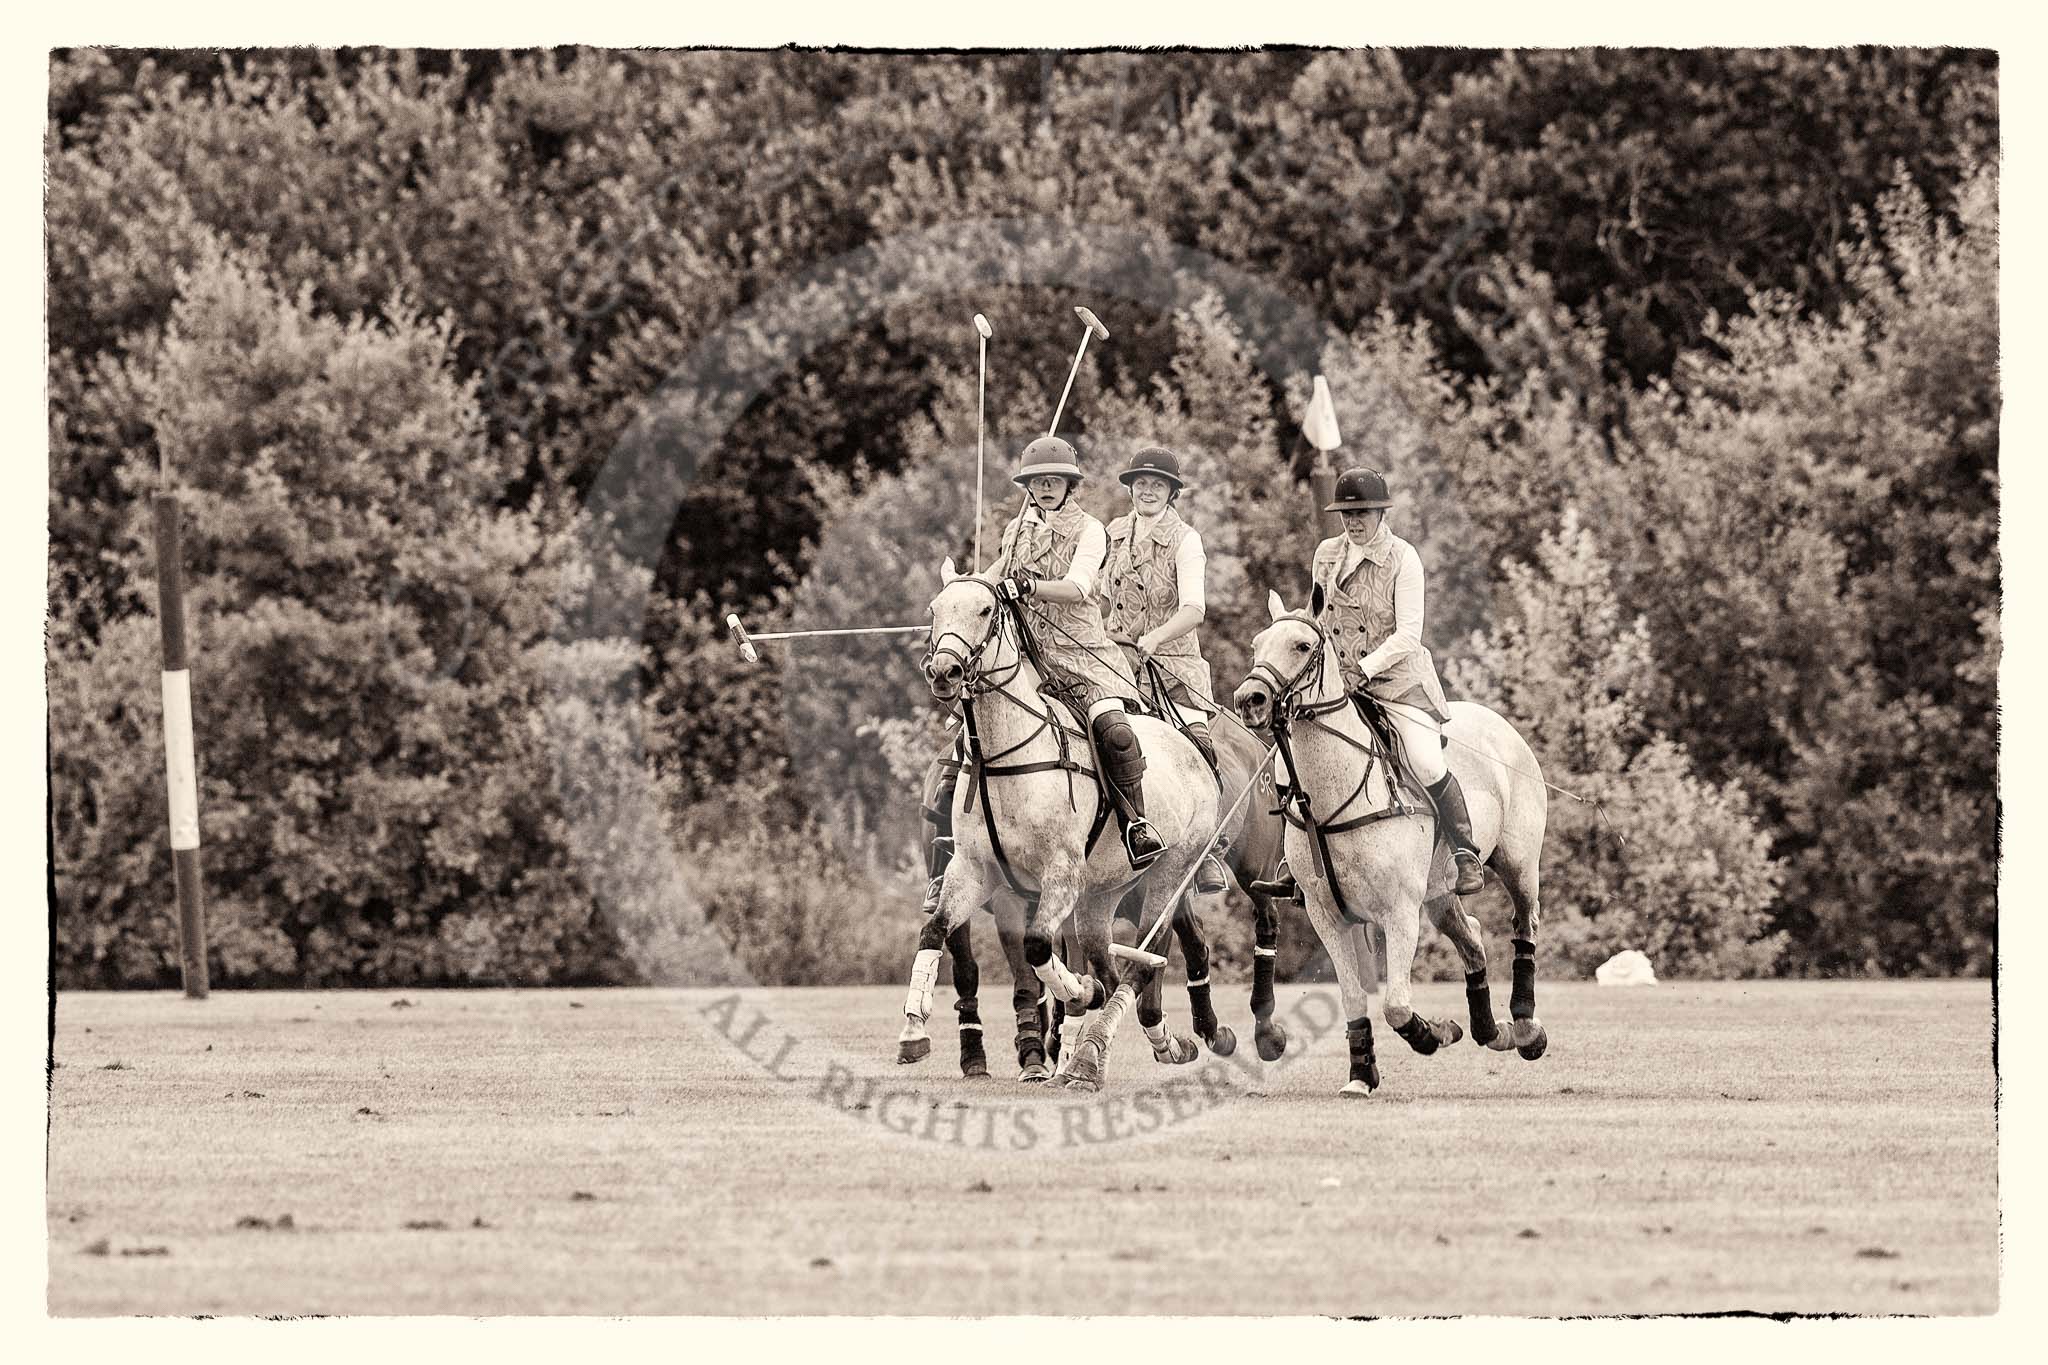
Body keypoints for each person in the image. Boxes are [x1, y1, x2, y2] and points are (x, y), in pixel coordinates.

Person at [921, 436, 1164, 916]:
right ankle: (948, 854)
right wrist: (964, 589)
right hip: (1026, 663)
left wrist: (1028, 584)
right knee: (964, 747)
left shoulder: (1092, 530)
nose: (1045, 486)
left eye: (1053, 480)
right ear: (1029, 487)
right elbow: (994, 576)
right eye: (1037, 481)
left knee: (1114, 734)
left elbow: (1079, 585)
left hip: (1084, 659)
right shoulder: (1017, 529)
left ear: (1070, 485)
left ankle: (1136, 827)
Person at [1256, 466, 1486, 897]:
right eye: (1346, 514)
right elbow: (1320, 617)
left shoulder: (1404, 558)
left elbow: (1408, 635)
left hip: (1397, 681)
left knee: (1425, 759)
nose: (1353, 522)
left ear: (1381, 513)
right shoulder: (1326, 554)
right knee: (1288, 761)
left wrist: (1363, 669)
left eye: (1362, 513)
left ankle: (1464, 852)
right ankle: (1296, 861)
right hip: (1336, 682)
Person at [1100, 446, 1228, 894]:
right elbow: (1096, 594)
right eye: (1141, 483)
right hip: (1114, 662)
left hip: (1172, 666)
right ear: (1131, 488)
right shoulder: (1113, 534)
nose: (1147, 490)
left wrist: (1156, 636)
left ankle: (1209, 847)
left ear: (1172, 492)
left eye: (1157, 484)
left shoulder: (1186, 540)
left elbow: (1195, 609)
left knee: (1198, 744)